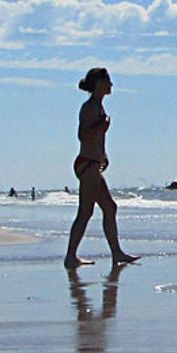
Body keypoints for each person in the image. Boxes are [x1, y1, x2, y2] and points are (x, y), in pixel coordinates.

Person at [65, 68, 138, 268]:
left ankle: (117, 253)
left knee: (110, 207)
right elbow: (83, 135)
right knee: (85, 212)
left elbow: (97, 138)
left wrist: (103, 155)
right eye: (108, 81)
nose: (111, 85)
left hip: (94, 163)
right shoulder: (89, 107)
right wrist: (101, 127)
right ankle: (70, 257)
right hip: (87, 164)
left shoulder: (99, 107)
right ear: (98, 83)